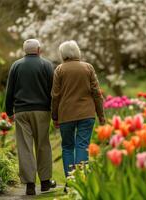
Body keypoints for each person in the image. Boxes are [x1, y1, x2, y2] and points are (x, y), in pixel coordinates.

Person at [5, 39, 56, 195]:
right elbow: (53, 90)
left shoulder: (16, 65)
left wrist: (9, 112)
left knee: (25, 148)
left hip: (21, 111)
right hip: (42, 111)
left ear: (24, 50)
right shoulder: (47, 65)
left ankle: (30, 185)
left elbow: (10, 90)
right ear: (39, 49)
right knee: (43, 145)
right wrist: (54, 112)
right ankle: (46, 182)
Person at [51, 40, 105, 187]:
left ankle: (71, 182)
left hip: (66, 115)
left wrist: (54, 116)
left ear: (63, 54)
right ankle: (81, 182)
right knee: (82, 146)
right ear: (77, 52)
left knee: (68, 147)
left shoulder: (59, 70)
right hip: (86, 114)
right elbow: (96, 93)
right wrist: (101, 116)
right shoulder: (88, 68)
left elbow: (55, 95)